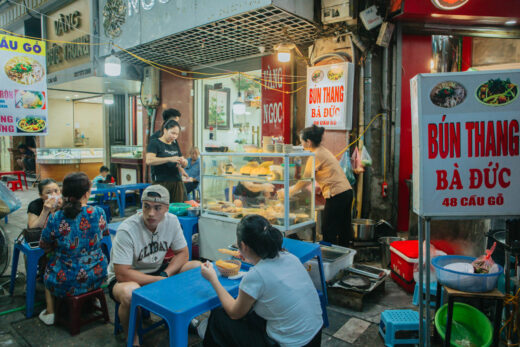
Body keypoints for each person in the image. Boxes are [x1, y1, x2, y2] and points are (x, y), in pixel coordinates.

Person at [200, 214, 323, 347]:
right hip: (315, 337)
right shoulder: (290, 257)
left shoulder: (256, 275)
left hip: (292, 344)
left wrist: (213, 278)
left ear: (243, 246)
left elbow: (234, 313)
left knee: (219, 317)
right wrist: (252, 258)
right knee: (253, 313)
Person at [107, 184, 200, 345]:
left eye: (158, 208)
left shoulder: (172, 221)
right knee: (131, 294)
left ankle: (185, 318)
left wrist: (165, 275)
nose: (151, 213)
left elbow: (183, 253)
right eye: (146, 207)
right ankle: (133, 339)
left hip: (158, 270)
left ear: (167, 208)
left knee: (196, 268)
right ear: (141, 206)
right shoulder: (127, 230)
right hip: (126, 277)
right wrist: (158, 280)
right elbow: (122, 273)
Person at [38, 172, 108, 325]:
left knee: (46, 267)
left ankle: (50, 312)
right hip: (98, 274)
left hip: (66, 279)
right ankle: (90, 301)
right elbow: (104, 234)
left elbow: (43, 244)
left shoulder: (56, 217)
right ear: (86, 193)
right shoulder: (99, 212)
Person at [278, 125, 353, 246]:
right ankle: (345, 255)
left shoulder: (316, 155)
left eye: (302, 141)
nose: (301, 143)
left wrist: (288, 191)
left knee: (329, 229)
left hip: (337, 194)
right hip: (346, 191)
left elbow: (306, 179)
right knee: (343, 227)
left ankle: (329, 258)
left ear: (308, 141)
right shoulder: (321, 150)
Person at [146, 119, 188, 202]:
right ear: (165, 130)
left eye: (177, 134)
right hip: (161, 182)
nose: (175, 136)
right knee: (161, 209)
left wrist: (183, 164)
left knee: (178, 209)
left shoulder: (175, 144)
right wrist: (169, 159)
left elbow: (181, 161)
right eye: (172, 133)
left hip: (177, 182)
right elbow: (149, 160)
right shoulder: (155, 143)